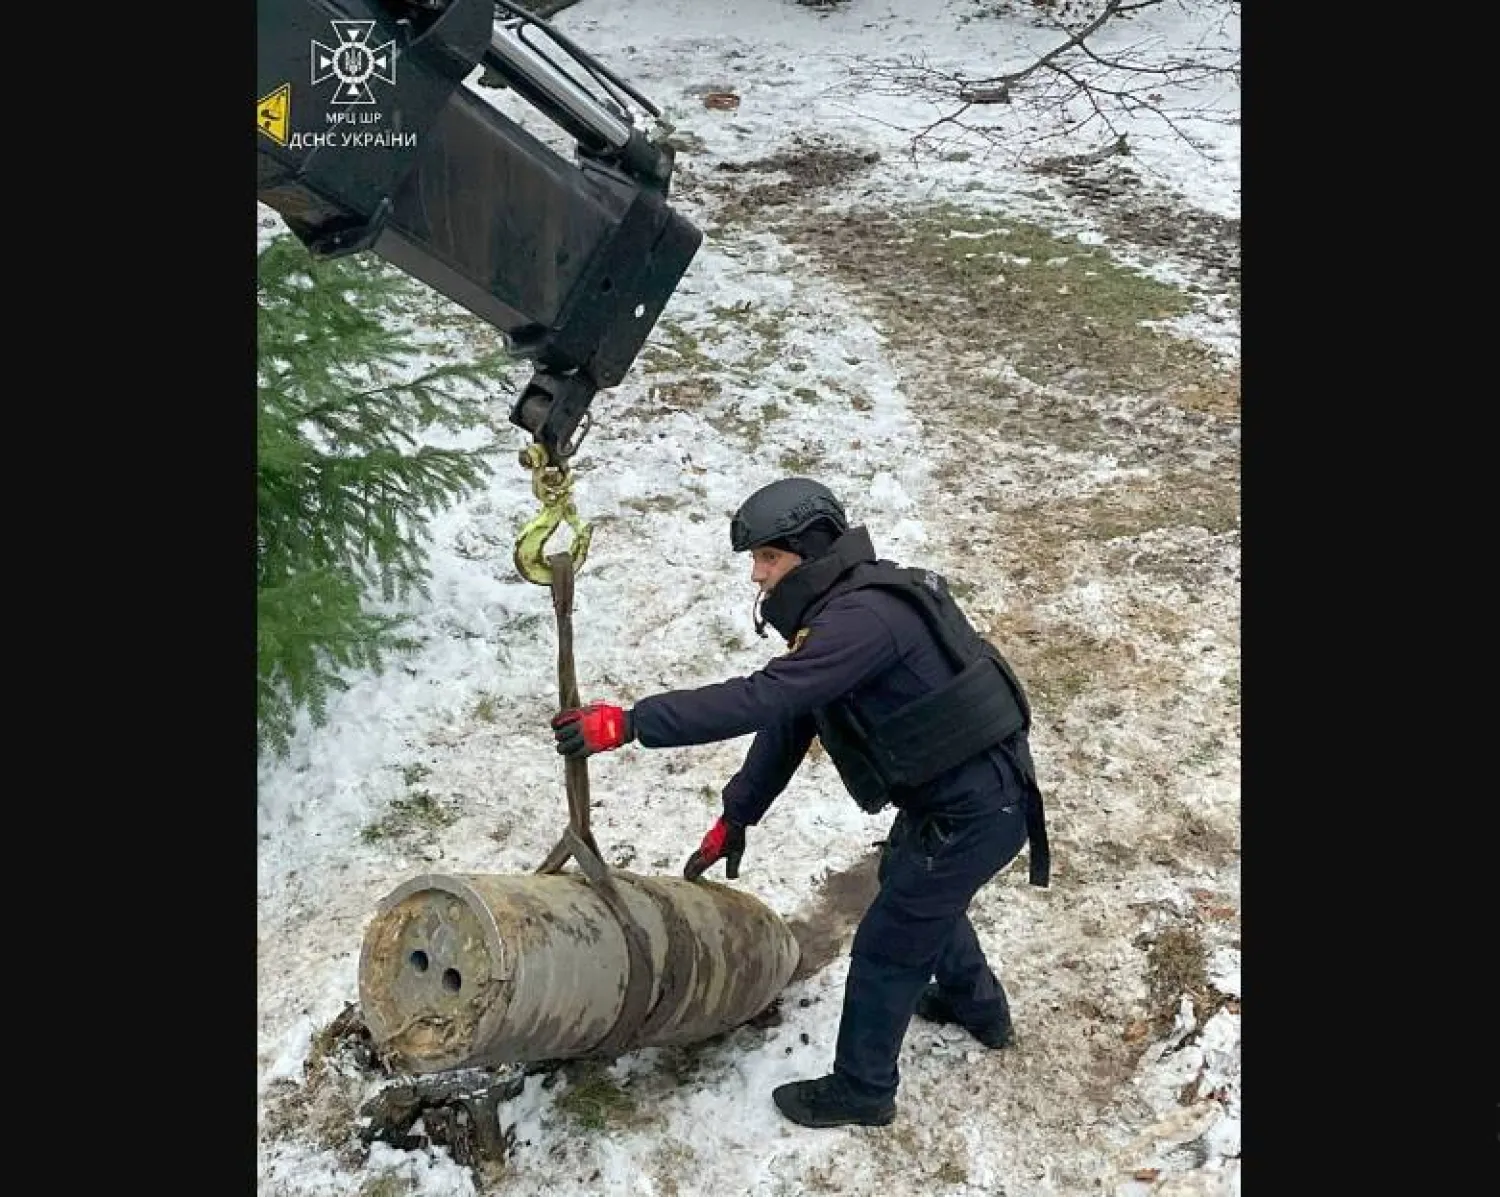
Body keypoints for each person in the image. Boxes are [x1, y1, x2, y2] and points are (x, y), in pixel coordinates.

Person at [549, 477, 1050, 1129]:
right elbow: (792, 719)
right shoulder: (846, 611)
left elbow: (761, 698)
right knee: (915, 888)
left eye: (768, 558)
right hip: (960, 799)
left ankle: (864, 1088)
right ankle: (977, 1007)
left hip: (977, 809)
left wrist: (631, 722)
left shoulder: (863, 621)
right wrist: (738, 814)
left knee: (889, 944)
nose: (757, 576)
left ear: (809, 551)